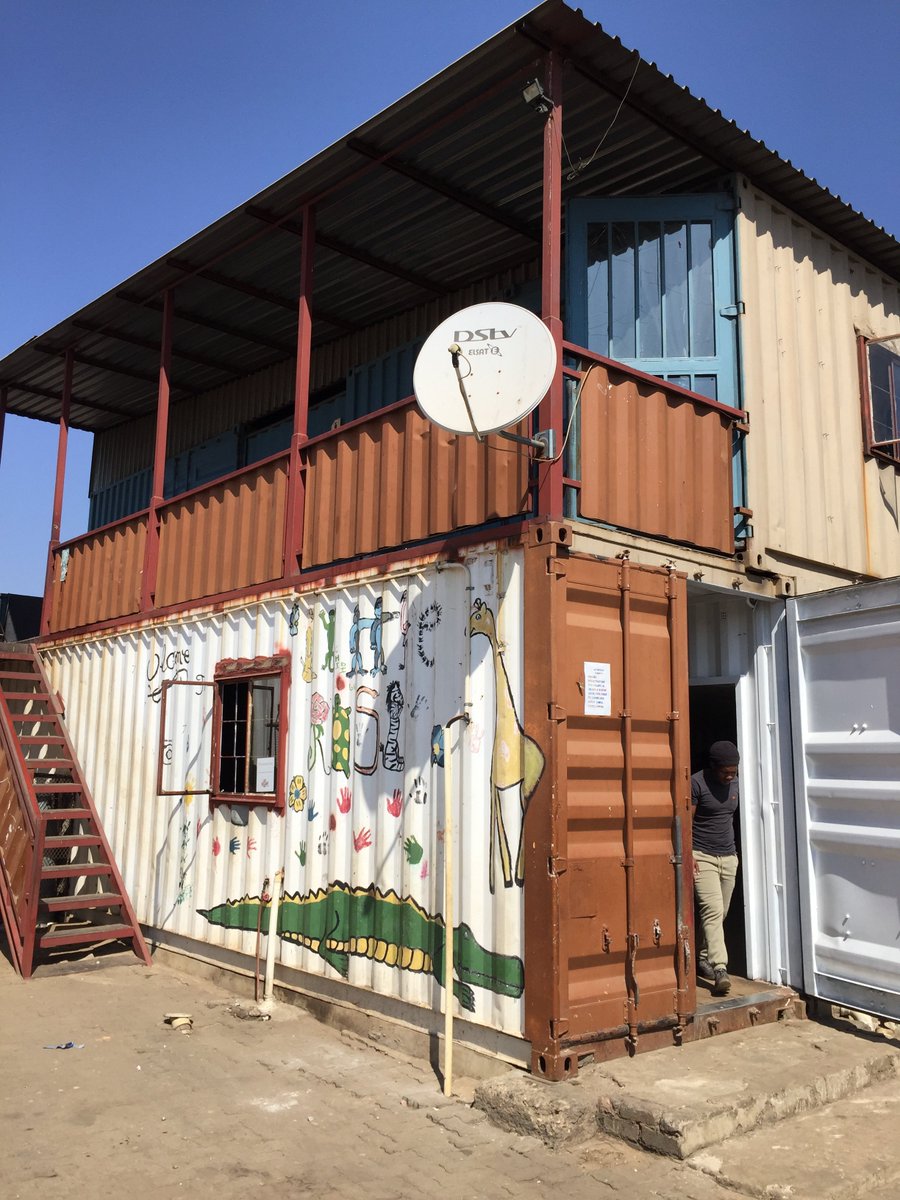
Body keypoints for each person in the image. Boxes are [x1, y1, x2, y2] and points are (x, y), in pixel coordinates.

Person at [691, 740, 740, 996]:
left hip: (729, 856)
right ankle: (720, 969)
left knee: (721, 913)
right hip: (702, 856)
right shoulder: (696, 783)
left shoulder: (737, 783)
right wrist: (688, 854)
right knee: (712, 910)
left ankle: (703, 958)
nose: (730, 776)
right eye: (725, 772)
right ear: (713, 767)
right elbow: (686, 819)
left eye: (733, 771)